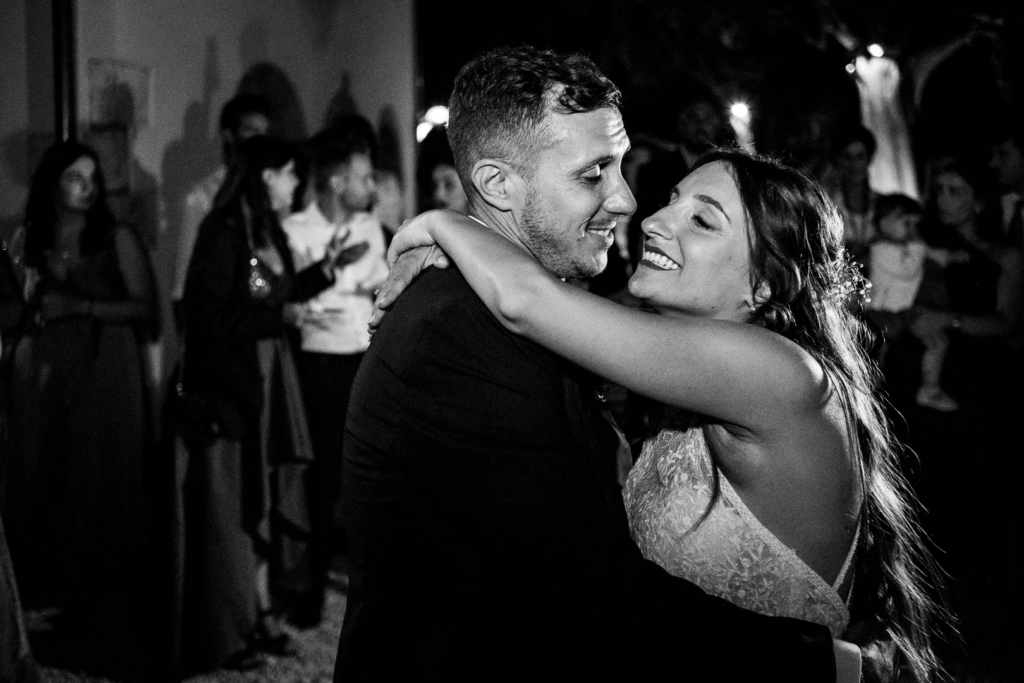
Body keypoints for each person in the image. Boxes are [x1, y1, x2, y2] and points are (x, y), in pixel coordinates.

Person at [336, 46, 863, 682]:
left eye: (703, 221)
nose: (639, 208)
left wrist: (447, 225)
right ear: (497, 184)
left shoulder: (769, 372)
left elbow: (527, 301)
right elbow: (585, 599)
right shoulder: (463, 332)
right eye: (593, 175)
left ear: (766, 285)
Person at [175, 136, 343, 672]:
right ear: (267, 175)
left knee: (264, 496)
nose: (296, 185)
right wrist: (281, 319)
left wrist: (323, 272)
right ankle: (229, 625)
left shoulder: (266, 229)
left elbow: (276, 293)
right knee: (235, 507)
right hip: (235, 382)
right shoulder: (222, 231)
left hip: (272, 379)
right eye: (290, 173)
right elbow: (204, 317)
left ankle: (262, 610)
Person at [2, 141, 159, 674]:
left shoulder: (116, 236)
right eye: (76, 176)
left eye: (93, 177)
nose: (88, 187)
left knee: (102, 480)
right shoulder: (29, 237)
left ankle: (106, 609)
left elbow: (144, 307)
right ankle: (63, 600)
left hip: (105, 365)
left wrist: (80, 304)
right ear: (53, 182)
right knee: (51, 479)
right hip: (49, 367)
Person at [281, 135, 388, 628]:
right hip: (318, 363)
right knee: (321, 477)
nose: (372, 187)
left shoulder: (369, 227)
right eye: (364, 177)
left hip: (364, 358)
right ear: (337, 181)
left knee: (369, 470)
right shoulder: (294, 229)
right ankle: (310, 586)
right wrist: (340, 288)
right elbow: (297, 299)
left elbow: (378, 289)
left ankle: (371, 586)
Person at [171, 93, 272, 312]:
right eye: (252, 131)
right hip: (222, 318)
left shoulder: (272, 191)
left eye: (265, 133)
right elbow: (183, 285)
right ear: (229, 136)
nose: (261, 142)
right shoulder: (202, 197)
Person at [864, 194, 963, 411]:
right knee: (879, 354)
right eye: (907, 223)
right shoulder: (880, 249)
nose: (913, 229)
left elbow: (934, 255)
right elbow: (907, 270)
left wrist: (951, 257)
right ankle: (868, 392)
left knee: (937, 341)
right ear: (884, 223)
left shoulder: (911, 245)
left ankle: (930, 389)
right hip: (884, 312)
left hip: (905, 310)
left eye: (916, 224)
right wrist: (919, 247)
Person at [822, 125, 881, 262]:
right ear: (838, 160)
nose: (854, 164)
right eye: (847, 157)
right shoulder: (827, 201)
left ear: (869, 159)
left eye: (860, 157)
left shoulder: (880, 202)